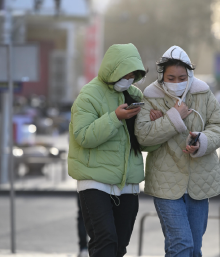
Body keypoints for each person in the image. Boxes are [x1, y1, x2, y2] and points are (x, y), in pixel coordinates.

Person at [68, 43, 161, 257]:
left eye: (133, 75)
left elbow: (143, 142)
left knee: (119, 246)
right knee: (104, 241)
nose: (128, 79)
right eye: (124, 73)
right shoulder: (89, 95)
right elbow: (83, 136)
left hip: (127, 184)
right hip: (95, 182)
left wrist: (155, 125)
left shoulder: (135, 94)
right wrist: (115, 117)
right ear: (112, 69)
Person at [135, 46, 220, 257]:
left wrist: (202, 141)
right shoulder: (150, 96)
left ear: (190, 75)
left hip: (199, 182)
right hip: (165, 184)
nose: (176, 82)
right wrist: (172, 118)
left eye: (181, 77)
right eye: (171, 77)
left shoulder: (203, 92)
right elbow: (143, 135)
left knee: (194, 249)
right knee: (182, 243)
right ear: (162, 76)